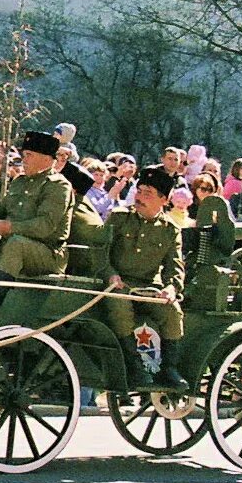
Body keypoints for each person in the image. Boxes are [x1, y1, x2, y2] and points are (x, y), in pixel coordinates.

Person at [101, 165, 188, 390]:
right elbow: (100, 253)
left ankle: (169, 368)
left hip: (149, 287)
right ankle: (134, 366)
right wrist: (111, 275)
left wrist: (171, 288)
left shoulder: (170, 229)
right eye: (139, 191)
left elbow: (175, 266)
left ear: (164, 200)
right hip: (118, 284)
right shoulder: (120, 217)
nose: (139, 197)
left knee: (173, 310)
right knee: (119, 304)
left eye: (147, 194)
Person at [0, 130, 74, 290]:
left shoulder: (58, 186)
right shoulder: (19, 182)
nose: (23, 160)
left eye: (29, 155)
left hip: (47, 253)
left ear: (46, 159)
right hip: (11, 247)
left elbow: (45, 225)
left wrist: (11, 228)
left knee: (15, 244)